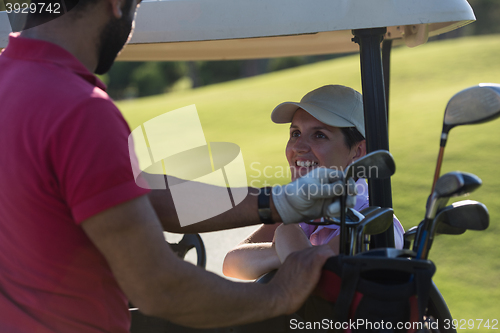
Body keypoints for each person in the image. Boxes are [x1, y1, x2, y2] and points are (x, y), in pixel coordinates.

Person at [0, 1, 356, 332]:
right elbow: (159, 286)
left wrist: (275, 202)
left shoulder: (11, 80)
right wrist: (279, 295)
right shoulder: (80, 110)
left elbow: (139, 197)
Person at [223, 85, 405, 280]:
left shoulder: (375, 223)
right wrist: (288, 247)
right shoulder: (301, 208)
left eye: (319, 135)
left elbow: (318, 271)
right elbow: (231, 264)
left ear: (358, 152)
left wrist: (286, 238)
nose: (298, 147)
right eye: (295, 133)